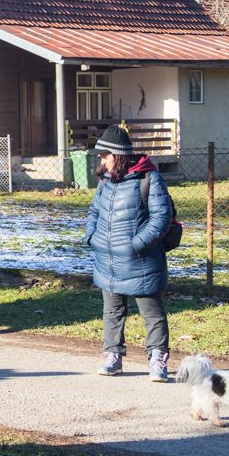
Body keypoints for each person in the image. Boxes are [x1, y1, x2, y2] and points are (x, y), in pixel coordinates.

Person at [84, 124, 173, 380]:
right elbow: (94, 211)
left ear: (118, 154)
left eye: (105, 155)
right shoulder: (105, 180)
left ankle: (157, 358)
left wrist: (136, 245)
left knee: (152, 313)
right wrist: (92, 237)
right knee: (112, 312)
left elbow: (162, 218)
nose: (102, 160)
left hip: (141, 262)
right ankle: (112, 356)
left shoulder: (149, 178)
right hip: (107, 260)